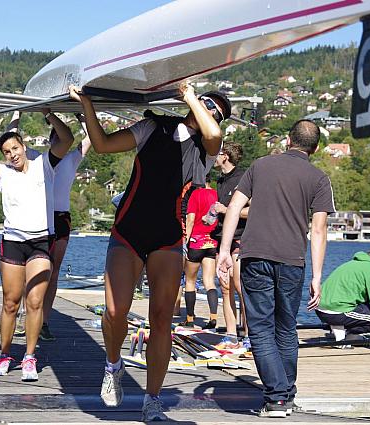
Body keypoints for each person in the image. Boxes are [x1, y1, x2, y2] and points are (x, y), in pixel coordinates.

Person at [70, 82, 229, 421]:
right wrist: (86, 104)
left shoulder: (206, 150)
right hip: (128, 230)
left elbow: (214, 133)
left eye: (215, 111)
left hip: (167, 237)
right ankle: (113, 365)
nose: (209, 111)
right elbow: (101, 145)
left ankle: (152, 399)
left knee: (160, 319)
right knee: (115, 312)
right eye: (207, 104)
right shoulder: (153, 126)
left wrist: (189, 94)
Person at [217, 119, 335, 418]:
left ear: (287, 140)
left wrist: (223, 251)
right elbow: (318, 231)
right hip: (292, 261)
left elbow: (233, 207)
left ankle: (277, 398)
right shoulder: (319, 178)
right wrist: (318, 277)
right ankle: (286, 394)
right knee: (286, 328)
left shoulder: (260, 166)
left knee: (260, 329)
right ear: (316, 148)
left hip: (255, 256)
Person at [0, 109, 73, 382]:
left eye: (15, 148)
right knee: (10, 303)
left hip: (40, 241)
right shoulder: (3, 173)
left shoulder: (44, 164)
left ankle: (29, 356)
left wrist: (49, 113)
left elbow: (67, 139)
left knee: (35, 301)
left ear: (24, 146)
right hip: (13, 243)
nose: (12, 154)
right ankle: (5, 355)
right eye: (6, 151)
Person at [40, 129, 92, 341]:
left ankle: (43, 321)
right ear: (50, 140)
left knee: (53, 272)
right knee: (34, 270)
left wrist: (83, 114)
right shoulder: (38, 159)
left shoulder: (72, 159)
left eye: (64, 140)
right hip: (41, 216)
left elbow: (90, 138)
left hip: (61, 218)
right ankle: (27, 315)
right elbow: (11, 139)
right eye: (57, 139)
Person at [211, 142, 251, 353]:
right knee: (225, 289)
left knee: (241, 288)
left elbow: (253, 210)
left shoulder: (244, 177)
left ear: (225, 156)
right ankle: (230, 335)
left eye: (217, 154)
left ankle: (248, 335)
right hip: (221, 240)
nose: (213, 157)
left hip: (240, 240)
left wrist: (227, 210)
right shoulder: (221, 179)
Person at [316, 247, 370, 341]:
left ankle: (346, 333)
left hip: (320, 309)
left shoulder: (351, 264)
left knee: (367, 310)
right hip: (336, 312)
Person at [180, 175, 219, 329]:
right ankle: (213, 317)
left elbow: (190, 219)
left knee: (190, 281)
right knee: (209, 281)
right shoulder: (216, 194)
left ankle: (189, 319)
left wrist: (186, 241)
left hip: (196, 242)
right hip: (212, 242)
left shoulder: (195, 194)